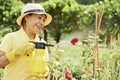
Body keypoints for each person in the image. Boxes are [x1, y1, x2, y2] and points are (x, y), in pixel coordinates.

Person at [0, 3, 52, 80]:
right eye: (39, 17)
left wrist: (46, 72)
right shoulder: (11, 38)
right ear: (27, 17)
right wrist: (16, 53)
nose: (42, 22)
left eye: (43, 20)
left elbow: (45, 66)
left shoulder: (42, 43)